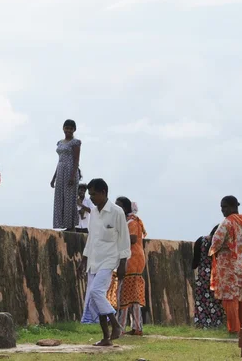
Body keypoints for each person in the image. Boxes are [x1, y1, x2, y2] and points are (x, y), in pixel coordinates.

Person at [78, 179, 131, 347]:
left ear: (103, 192)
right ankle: (106, 338)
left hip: (109, 260)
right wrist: (84, 259)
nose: (91, 198)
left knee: (96, 292)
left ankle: (116, 325)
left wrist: (123, 263)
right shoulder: (93, 213)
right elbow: (91, 238)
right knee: (96, 297)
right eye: (90, 194)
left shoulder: (117, 212)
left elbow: (124, 239)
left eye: (93, 194)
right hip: (94, 260)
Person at [209, 196, 242, 334]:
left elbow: (216, 241)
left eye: (224, 207)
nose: (222, 210)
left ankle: (234, 329)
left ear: (233, 207)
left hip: (229, 267)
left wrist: (213, 251)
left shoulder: (227, 223)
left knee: (229, 298)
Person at [115, 197, 147, 336]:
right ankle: (137, 327)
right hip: (134, 259)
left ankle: (120, 327)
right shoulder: (131, 221)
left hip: (132, 260)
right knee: (133, 297)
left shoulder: (131, 222)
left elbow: (132, 239)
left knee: (124, 296)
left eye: (119, 206)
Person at [192, 225, 225, 329]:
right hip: (217, 278)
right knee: (216, 303)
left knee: (202, 302)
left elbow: (194, 263)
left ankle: (202, 324)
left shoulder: (200, 241)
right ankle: (216, 324)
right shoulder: (221, 245)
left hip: (202, 278)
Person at [51, 119, 81, 231]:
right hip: (60, 171)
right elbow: (59, 161)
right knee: (60, 198)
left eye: (71, 128)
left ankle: (71, 225)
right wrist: (54, 178)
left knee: (70, 198)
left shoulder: (75, 142)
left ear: (74, 130)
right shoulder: (59, 143)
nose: (68, 130)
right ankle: (62, 224)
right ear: (63, 128)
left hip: (70, 170)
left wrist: (73, 176)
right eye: (66, 128)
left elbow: (76, 159)